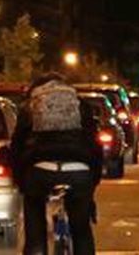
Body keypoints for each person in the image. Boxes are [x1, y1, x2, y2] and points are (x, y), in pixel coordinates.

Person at [10, 72, 102, 255]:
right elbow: (95, 146)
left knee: (35, 218)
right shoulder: (80, 105)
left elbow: (17, 147)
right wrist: (93, 181)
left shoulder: (30, 106)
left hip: (41, 170)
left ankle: (37, 249)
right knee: (81, 230)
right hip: (79, 171)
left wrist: (21, 182)